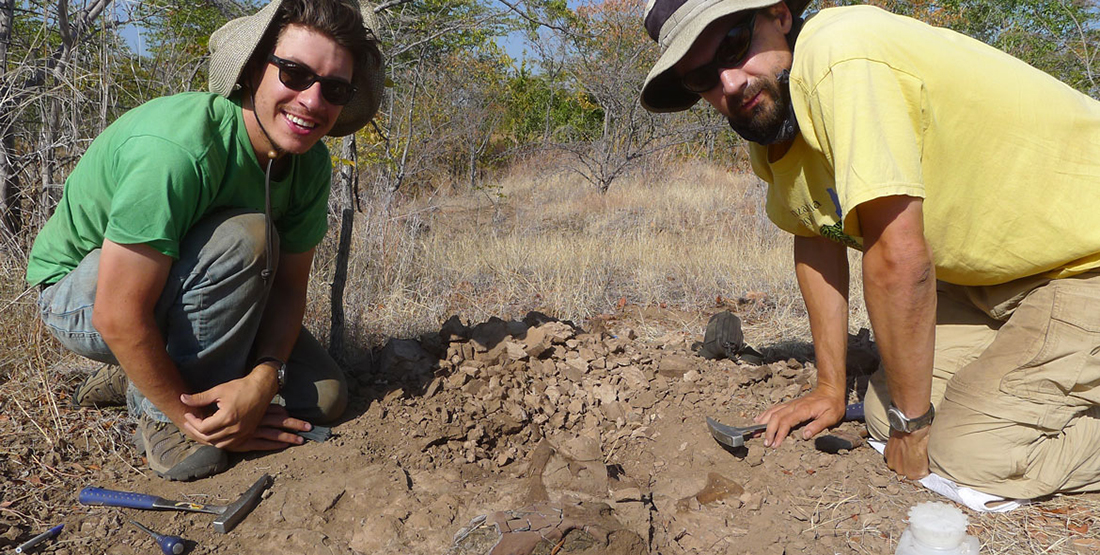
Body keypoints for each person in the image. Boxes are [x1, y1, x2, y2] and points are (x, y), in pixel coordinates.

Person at [640, 0, 1100, 499]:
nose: (729, 85)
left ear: (779, 16)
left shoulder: (843, 57)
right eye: (701, 78)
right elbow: (814, 235)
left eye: (733, 45)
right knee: (883, 413)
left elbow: (900, 257)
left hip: (1082, 262)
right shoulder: (770, 110)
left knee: (974, 453)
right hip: (994, 283)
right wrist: (831, 390)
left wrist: (914, 425)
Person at [26, 0, 384, 481]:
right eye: (295, 74)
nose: (313, 101)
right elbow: (116, 313)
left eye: (334, 88)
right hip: (82, 296)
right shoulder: (176, 151)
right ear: (256, 69)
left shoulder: (310, 164)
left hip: (195, 284)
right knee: (247, 236)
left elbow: (288, 288)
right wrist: (186, 415)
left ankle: (145, 371)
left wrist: (264, 377)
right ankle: (159, 410)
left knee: (322, 398)